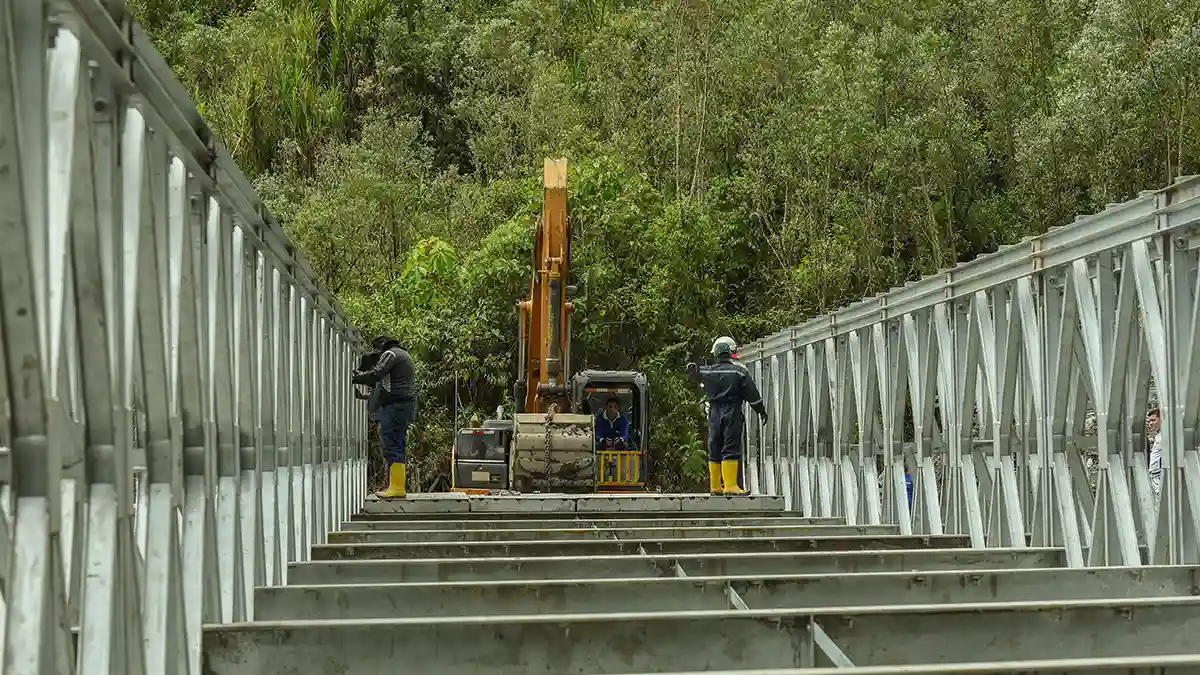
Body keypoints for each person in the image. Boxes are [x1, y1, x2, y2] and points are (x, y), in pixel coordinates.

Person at [686, 336, 768, 496]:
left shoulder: (707, 371)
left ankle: (715, 486)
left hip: (714, 411)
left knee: (714, 445)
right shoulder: (739, 371)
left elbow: (694, 375)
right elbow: (752, 394)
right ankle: (730, 485)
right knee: (730, 445)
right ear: (730, 354)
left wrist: (690, 364)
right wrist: (761, 410)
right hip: (732, 410)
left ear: (716, 355)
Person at [352, 335, 417, 498]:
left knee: (391, 444)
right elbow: (385, 385)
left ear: (382, 346)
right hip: (404, 405)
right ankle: (397, 486)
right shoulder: (404, 355)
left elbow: (376, 375)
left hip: (395, 406)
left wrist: (356, 378)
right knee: (397, 443)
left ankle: (396, 489)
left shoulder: (391, 354)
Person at [1147, 407, 1162, 502]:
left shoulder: (1167, 435)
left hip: (1159, 475)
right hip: (1154, 475)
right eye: (1149, 421)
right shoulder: (1158, 436)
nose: (1151, 423)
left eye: (1153, 420)